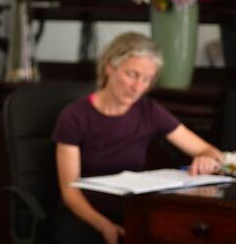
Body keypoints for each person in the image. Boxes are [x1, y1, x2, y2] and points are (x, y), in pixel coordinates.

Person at [51, 32, 222, 244]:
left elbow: (210, 151)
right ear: (110, 67)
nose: (137, 87)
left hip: (133, 210)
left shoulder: (149, 110)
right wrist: (104, 226)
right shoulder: (74, 116)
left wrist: (207, 158)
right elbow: (70, 191)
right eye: (131, 74)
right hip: (85, 215)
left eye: (147, 79)